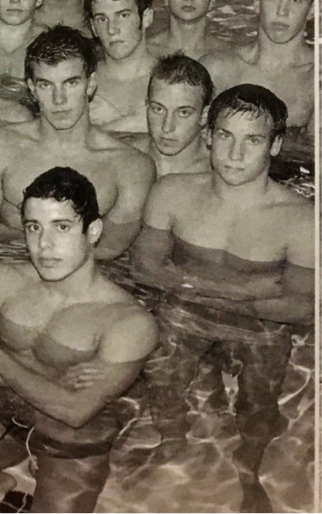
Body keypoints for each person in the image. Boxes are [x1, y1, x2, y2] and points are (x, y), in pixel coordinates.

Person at [129, 84, 313, 514]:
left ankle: (249, 467)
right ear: (208, 135)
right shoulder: (173, 191)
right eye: (226, 135)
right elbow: (142, 268)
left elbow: (301, 308)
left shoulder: (298, 219)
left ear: (276, 145)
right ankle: (172, 440)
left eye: (252, 140)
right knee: (161, 363)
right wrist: (243, 291)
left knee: (260, 393)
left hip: (259, 327)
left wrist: (193, 286)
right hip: (194, 312)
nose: (235, 153)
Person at [0, 166, 157, 514]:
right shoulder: (1, 279)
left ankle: (46, 464)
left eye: (62, 227)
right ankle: (2, 480)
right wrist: (51, 384)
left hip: (75, 436)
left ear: (94, 231)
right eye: (33, 227)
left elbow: (75, 411)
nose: (44, 245)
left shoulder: (128, 321)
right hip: (7, 409)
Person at [0, 26, 155, 260]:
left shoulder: (131, 166)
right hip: (11, 267)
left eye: (71, 83)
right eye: (46, 85)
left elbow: (110, 249)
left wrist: (27, 233)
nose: (59, 99)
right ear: (32, 89)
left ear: (91, 84)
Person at [200, 0, 314, 130]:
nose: (282, 11)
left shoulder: (315, 78)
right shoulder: (218, 69)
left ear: (312, 10)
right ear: (256, 2)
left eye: (296, 0)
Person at [86, 0, 157, 133]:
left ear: (146, 17)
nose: (112, 29)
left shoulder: (174, 82)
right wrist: (130, 124)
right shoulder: (80, 85)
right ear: (93, 27)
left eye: (123, 15)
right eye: (102, 19)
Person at [128, 54, 213, 177]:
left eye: (183, 113)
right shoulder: (122, 156)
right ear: (147, 104)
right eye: (158, 109)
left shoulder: (221, 169)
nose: (167, 127)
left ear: (204, 115)